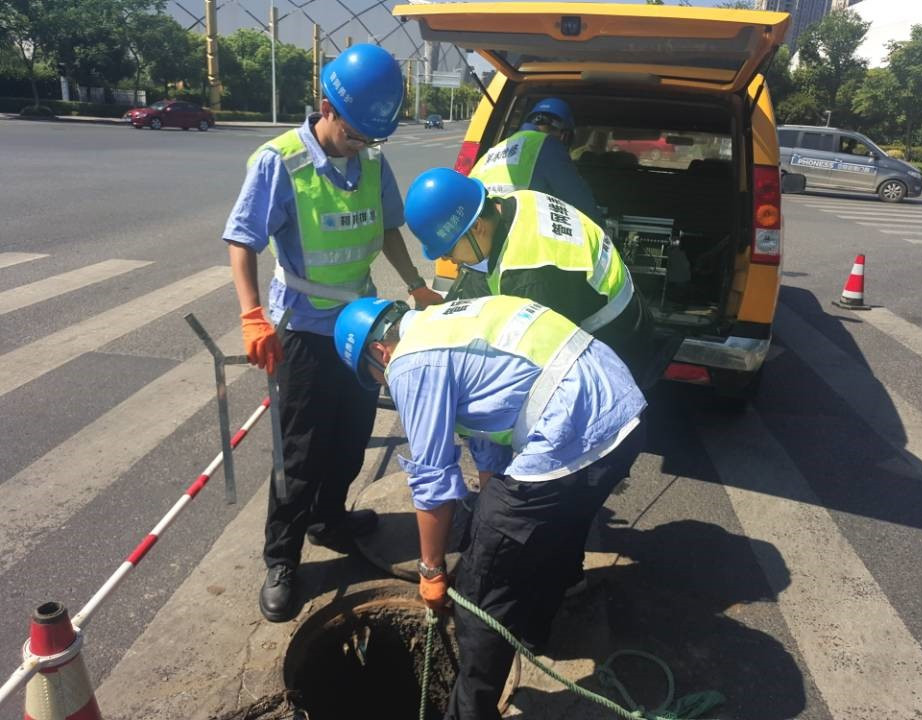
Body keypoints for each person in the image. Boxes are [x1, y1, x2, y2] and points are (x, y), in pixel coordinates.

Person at [333, 294, 647, 720]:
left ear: (379, 352)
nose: (384, 384)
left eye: (375, 377)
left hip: (576, 431)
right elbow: (488, 429)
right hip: (620, 412)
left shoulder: (409, 362)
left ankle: (470, 714)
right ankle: (533, 631)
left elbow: (431, 480)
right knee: (556, 529)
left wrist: (431, 569)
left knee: (479, 597)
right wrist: (492, 513)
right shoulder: (445, 322)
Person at [222, 43, 442, 623]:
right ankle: (283, 558)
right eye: (354, 135)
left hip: (361, 325)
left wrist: (415, 284)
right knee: (300, 452)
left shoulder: (371, 159)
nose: (361, 146)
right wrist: (251, 315)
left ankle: (330, 519)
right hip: (303, 328)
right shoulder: (280, 161)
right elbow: (242, 239)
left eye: (371, 138)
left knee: (350, 435)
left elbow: (389, 228)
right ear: (327, 109)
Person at [405, 167, 649, 373]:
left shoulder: (529, 275)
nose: (448, 259)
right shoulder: (517, 201)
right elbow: (475, 282)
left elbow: (541, 360)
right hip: (614, 296)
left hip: (615, 337)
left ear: (477, 226)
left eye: (448, 250)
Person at [468, 97, 600, 223]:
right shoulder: (549, 145)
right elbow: (580, 201)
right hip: (516, 230)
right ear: (565, 136)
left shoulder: (494, 150)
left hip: (478, 229)